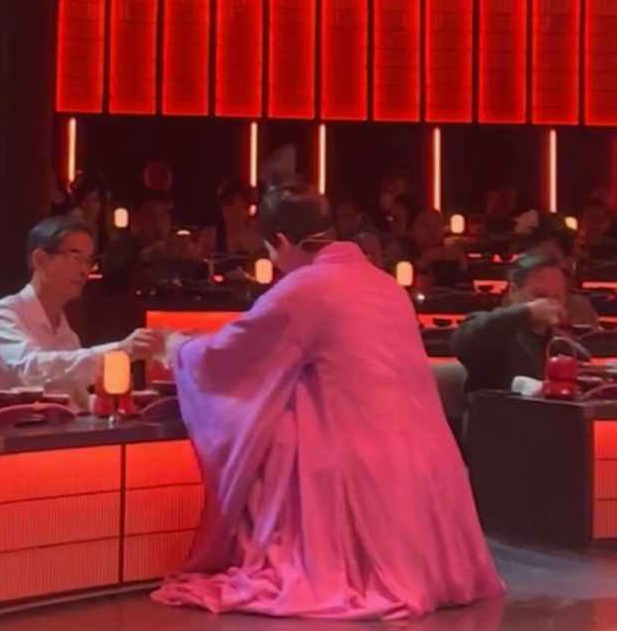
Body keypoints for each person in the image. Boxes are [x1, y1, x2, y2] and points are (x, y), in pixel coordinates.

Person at [152, 180, 503, 621]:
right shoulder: (385, 285)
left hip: (358, 465)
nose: (275, 264)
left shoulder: (307, 288)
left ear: (282, 241)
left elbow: (231, 356)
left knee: (275, 429)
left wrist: (177, 349)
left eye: (272, 252)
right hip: (429, 463)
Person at [0, 215, 160, 408]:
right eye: (76, 258)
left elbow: (73, 397)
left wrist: (125, 402)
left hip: (43, 426)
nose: (84, 270)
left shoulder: (67, 334)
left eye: (88, 261)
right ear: (40, 260)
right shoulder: (4, 313)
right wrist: (119, 352)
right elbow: (32, 369)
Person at [452, 251, 587, 393]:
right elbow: (465, 341)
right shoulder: (495, 331)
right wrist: (528, 311)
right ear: (513, 291)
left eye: (557, 297)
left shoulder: (563, 345)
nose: (548, 304)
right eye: (539, 296)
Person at [215, 178, 262, 257]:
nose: (226, 210)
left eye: (230, 203)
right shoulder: (210, 238)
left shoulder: (258, 236)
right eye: (226, 204)